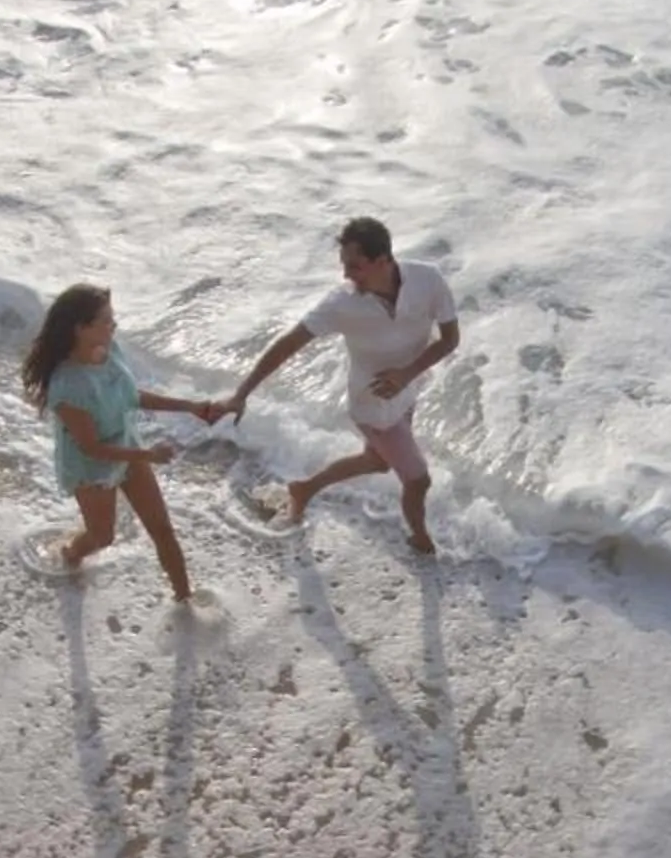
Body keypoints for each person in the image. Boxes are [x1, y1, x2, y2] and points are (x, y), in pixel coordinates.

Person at [225, 216, 460, 555]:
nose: (347, 275)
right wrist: (241, 393)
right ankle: (421, 540)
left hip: (407, 389)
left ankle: (304, 489)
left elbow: (450, 339)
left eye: (356, 266)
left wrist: (407, 374)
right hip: (372, 404)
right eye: (344, 266)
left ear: (383, 260)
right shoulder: (342, 303)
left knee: (377, 461)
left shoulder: (428, 280)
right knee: (418, 479)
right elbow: (288, 344)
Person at [22, 281, 218, 601]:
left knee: (163, 529)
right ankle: (71, 552)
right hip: (91, 466)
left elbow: (131, 396)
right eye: (107, 320)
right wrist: (148, 455)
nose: (114, 325)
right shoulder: (67, 386)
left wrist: (190, 407)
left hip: (128, 447)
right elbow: (92, 448)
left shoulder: (110, 349)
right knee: (102, 537)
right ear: (81, 329)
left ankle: (185, 601)